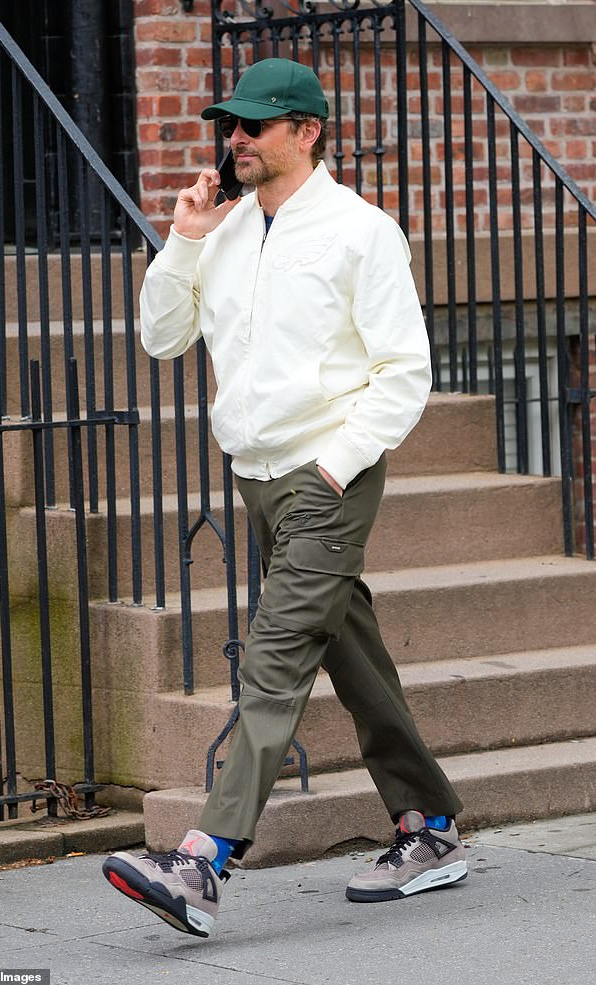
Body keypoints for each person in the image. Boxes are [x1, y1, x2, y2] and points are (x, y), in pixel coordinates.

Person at [103, 57, 466, 939]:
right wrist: (184, 237)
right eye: (231, 124)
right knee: (346, 644)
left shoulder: (360, 231)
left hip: (324, 476)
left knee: (276, 654)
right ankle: (433, 825)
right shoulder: (222, 232)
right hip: (256, 476)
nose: (237, 140)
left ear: (306, 131)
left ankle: (202, 857)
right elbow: (159, 337)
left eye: (256, 125)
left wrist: (336, 467)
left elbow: (403, 372)